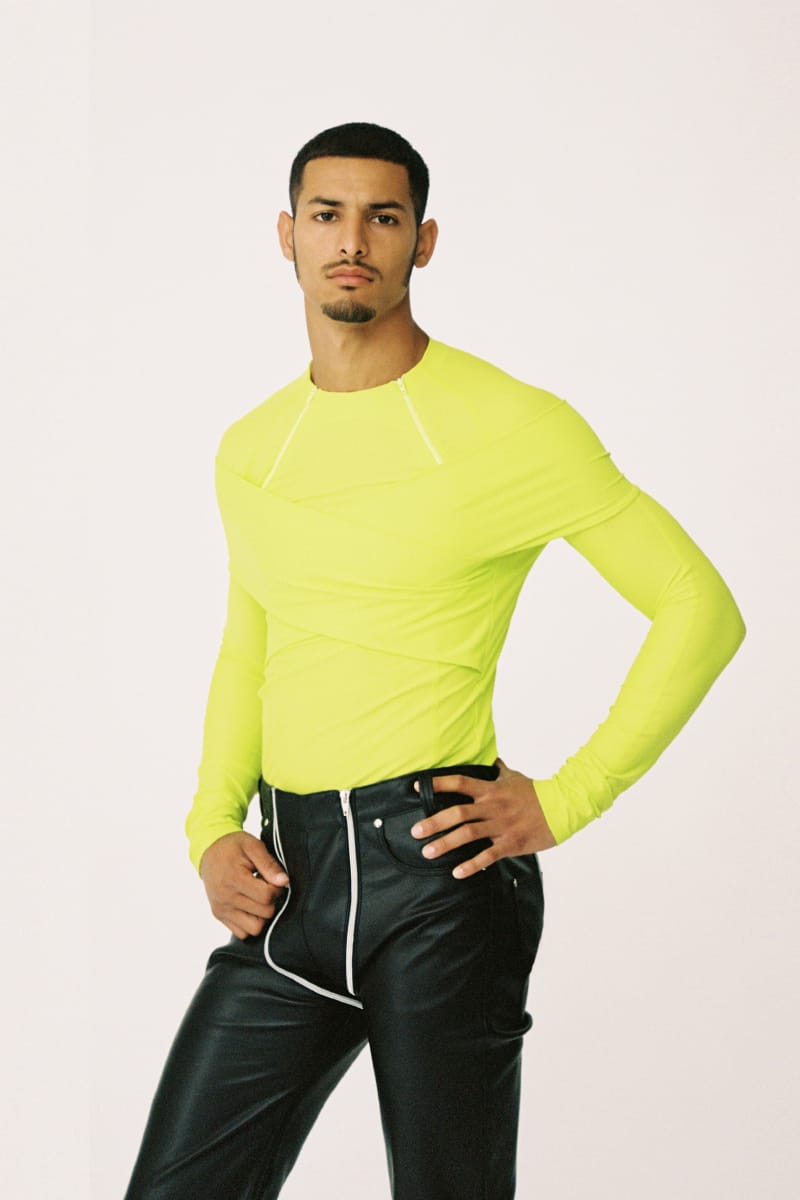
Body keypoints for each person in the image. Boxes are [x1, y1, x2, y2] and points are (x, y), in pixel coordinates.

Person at [124, 122, 746, 1199]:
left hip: (438, 883)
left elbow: (699, 607)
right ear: (286, 235)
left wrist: (570, 797)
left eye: (383, 217)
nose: (351, 241)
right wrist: (211, 825)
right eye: (327, 215)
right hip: (292, 888)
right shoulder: (251, 446)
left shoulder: (511, 425)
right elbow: (250, 643)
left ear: (423, 241)